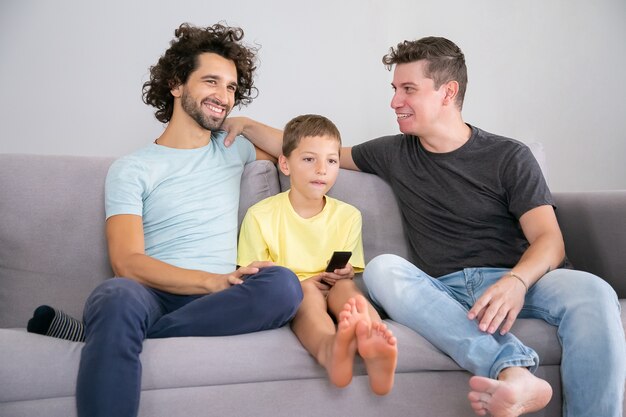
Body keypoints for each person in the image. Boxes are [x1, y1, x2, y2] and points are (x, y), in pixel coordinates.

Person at [222, 37, 626, 416]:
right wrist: (246, 124)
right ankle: (513, 371)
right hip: (443, 287)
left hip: (522, 278)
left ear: (447, 93)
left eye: (408, 89)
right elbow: (314, 152)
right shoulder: (393, 152)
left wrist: (517, 282)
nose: (395, 101)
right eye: (394, 89)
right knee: (382, 270)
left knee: (594, 291)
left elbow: (549, 241)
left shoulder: (508, 156)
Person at [27, 23, 303, 417]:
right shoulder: (133, 168)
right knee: (114, 294)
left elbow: (300, 152)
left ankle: (101, 335)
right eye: (211, 81)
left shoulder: (233, 149)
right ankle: (118, 329)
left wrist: (250, 125)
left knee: (284, 285)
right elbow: (127, 262)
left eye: (230, 87)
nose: (223, 97)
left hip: (221, 299)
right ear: (176, 84)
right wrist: (212, 280)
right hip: (154, 293)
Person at [237, 114, 397, 395]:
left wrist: (345, 272)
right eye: (309, 159)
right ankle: (330, 350)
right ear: (285, 164)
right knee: (309, 295)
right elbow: (254, 277)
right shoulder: (260, 215)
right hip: (294, 293)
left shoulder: (348, 215)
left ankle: (371, 339)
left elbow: (349, 267)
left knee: (346, 287)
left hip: (332, 285)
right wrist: (301, 285)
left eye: (332, 161)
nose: (322, 169)